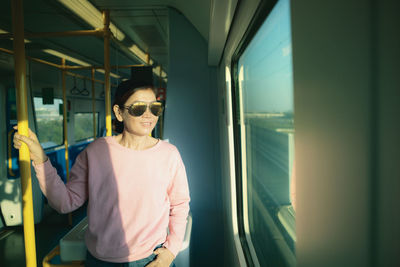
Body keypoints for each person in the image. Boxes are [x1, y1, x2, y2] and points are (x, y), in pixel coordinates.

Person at [13, 79, 190, 267]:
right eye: (139, 108)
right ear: (119, 113)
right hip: (100, 260)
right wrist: (40, 159)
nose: (149, 115)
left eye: (155, 108)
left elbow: (179, 205)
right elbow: (65, 202)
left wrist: (171, 251)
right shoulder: (96, 152)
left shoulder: (169, 154)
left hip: (151, 257)